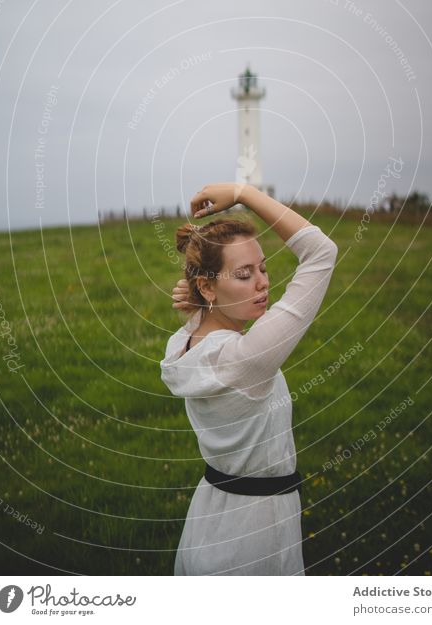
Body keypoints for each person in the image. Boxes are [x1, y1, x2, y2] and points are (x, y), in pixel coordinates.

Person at [159, 182, 339, 575]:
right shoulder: (248, 359)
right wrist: (244, 192)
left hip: (209, 518)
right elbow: (321, 253)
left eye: (263, 268)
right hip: (256, 538)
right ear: (208, 286)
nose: (263, 283)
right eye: (244, 274)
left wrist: (203, 297)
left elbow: (208, 320)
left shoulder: (183, 345)